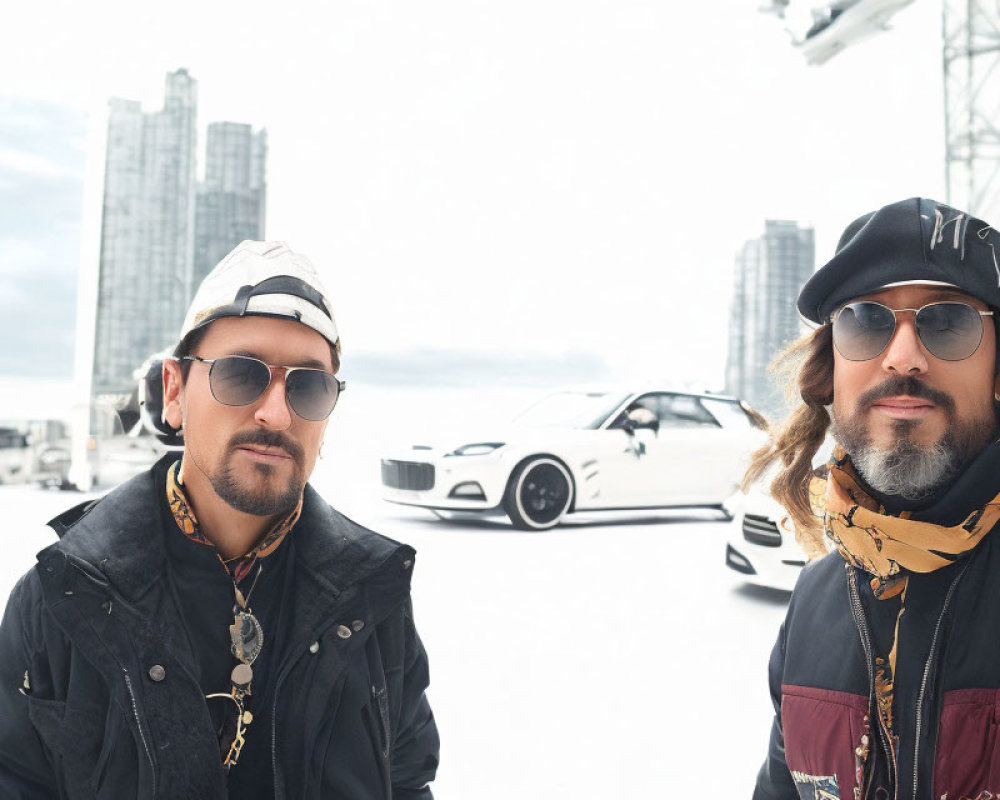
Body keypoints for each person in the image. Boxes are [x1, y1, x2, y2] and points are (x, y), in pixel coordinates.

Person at [0, 241, 439, 798]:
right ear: (175, 391)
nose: (277, 413)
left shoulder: (373, 598)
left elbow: (407, 779)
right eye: (241, 374)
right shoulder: (61, 598)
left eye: (309, 385)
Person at [749, 198, 1000, 799]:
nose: (903, 355)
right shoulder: (812, 604)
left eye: (949, 322)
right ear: (831, 368)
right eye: (865, 319)